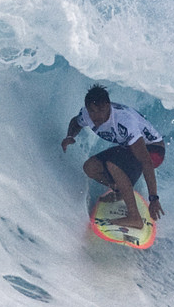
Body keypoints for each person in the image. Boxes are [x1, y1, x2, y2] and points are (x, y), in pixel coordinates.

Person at [60, 84, 166, 229]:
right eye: (92, 111)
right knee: (90, 167)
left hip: (154, 151)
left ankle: (134, 218)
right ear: (87, 108)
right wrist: (70, 136)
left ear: (108, 106)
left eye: (102, 110)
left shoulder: (124, 121)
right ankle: (120, 190)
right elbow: (75, 122)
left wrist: (153, 198)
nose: (97, 116)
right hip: (128, 148)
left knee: (113, 163)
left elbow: (146, 161)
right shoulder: (87, 115)